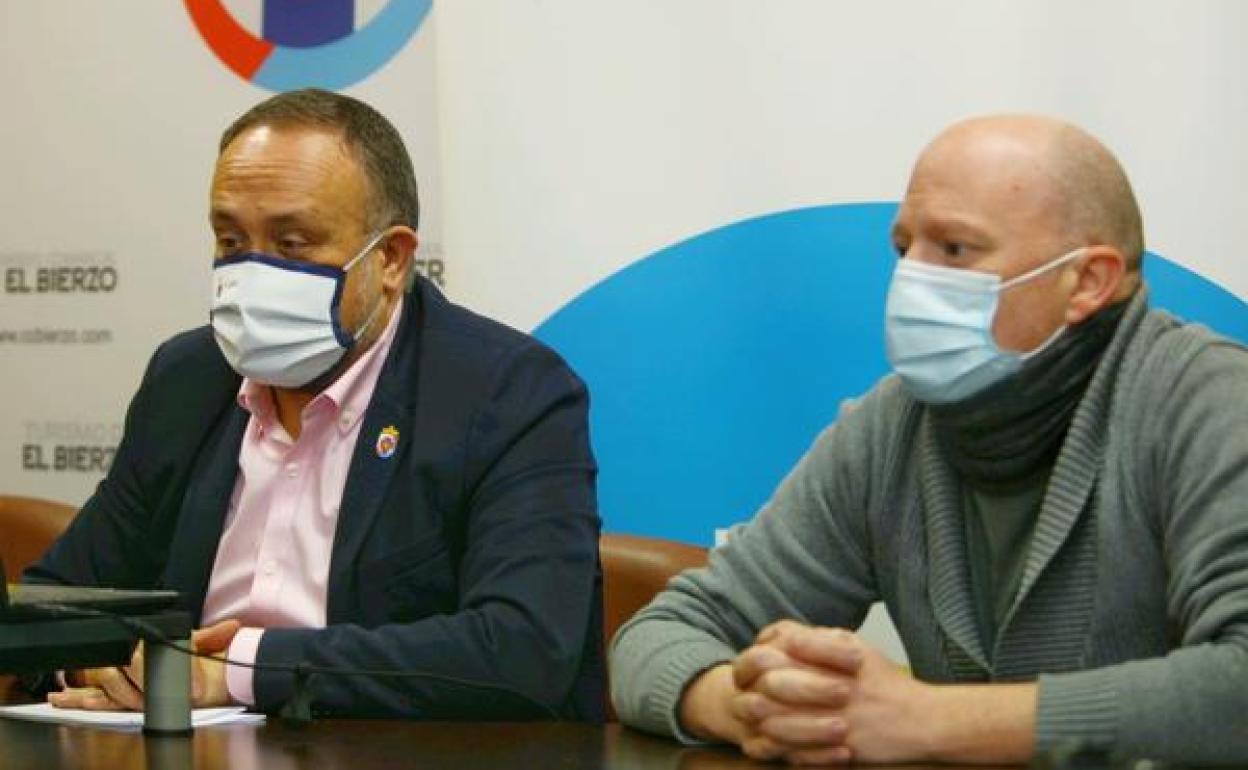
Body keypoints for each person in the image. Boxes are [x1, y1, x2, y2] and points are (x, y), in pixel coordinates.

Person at [610, 115, 1248, 764]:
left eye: (954, 250)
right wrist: (751, 706)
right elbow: (660, 634)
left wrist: (931, 718)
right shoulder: (892, 426)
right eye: (903, 247)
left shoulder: (1209, 397)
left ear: (1087, 281)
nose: (909, 279)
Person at [27, 89, 604, 721]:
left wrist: (241, 670)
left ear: (390, 258)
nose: (251, 275)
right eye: (229, 241)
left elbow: (521, 651)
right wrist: (103, 666)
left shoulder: (507, 391)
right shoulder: (189, 378)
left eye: (292, 243)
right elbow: (51, 602)